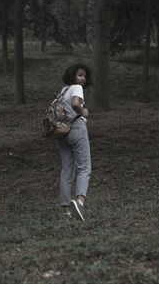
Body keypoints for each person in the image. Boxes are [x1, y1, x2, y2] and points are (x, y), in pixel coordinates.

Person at [57, 63, 93, 221]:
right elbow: (74, 103)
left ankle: (66, 212)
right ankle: (79, 202)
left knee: (66, 171)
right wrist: (83, 111)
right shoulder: (76, 88)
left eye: (84, 76)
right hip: (77, 128)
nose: (83, 78)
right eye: (80, 75)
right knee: (84, 167)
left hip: (62, 132)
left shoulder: (63, 91)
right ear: (73, 76)